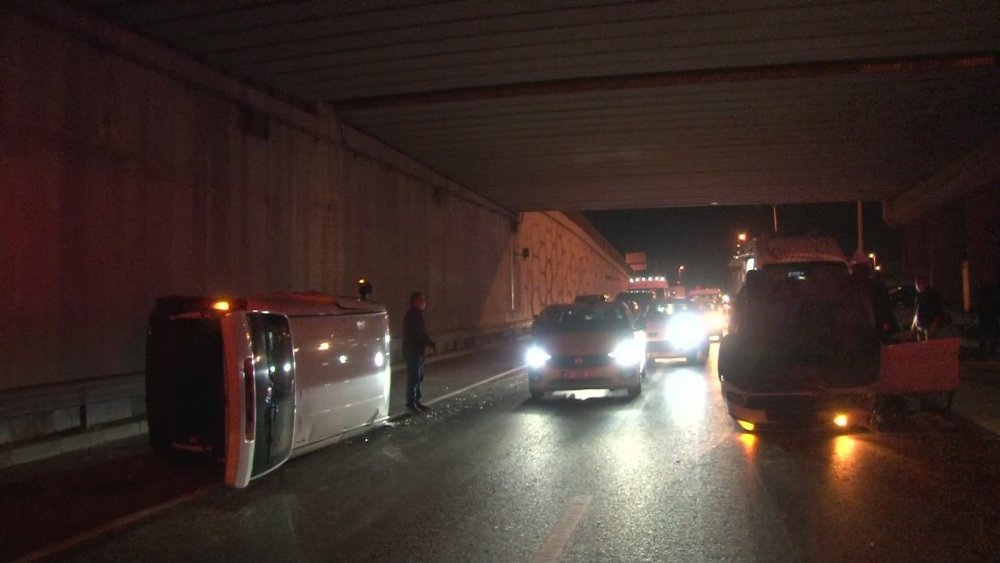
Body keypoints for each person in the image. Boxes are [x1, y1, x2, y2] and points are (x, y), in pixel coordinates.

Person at [402, 291, 436, 413]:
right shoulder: (412, 316)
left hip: (418, 351)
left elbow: (422, 334)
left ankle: (417, 401)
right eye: (421, 300)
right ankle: (410, 403)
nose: (423, 303)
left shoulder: (418, 316)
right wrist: (428, 343)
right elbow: (417, 335)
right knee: (414, 377)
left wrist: (429, 344)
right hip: (412, 351)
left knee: (419, 376)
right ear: (415, 302)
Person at [911, 275, 945, 341]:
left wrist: (934, 324)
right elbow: (917, 310)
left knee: (929, 344)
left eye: (918, 283)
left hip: (929, 325)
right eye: (916, 283)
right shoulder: (918, 296)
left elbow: (937, 310)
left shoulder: (932, 295)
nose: (917, 286)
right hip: (920, 324)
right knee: (921, 346)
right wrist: (914, 323)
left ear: (923, 283)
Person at [977, 275, 1000, 358]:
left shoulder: (989, 290)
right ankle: (989, 351)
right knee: (991, 334)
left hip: (987, 315)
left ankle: (985, 351)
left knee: (986, 334)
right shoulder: (993, 290)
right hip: (991, 315)